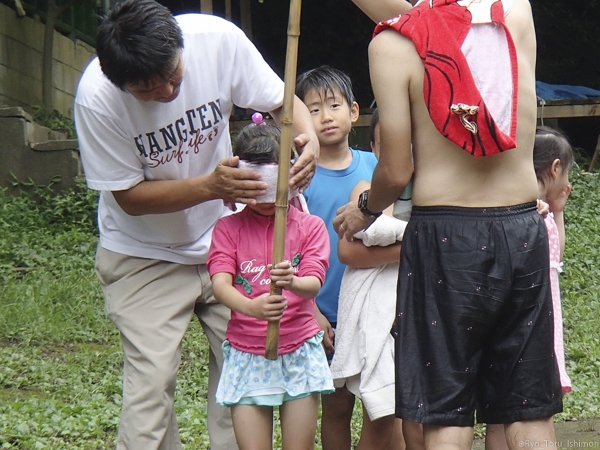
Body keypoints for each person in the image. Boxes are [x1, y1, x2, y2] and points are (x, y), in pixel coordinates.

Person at [73, 1, 319, 449]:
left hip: (228, 243)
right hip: (142, 254)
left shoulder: (216, 41)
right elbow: (128, 198)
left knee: (243, 378)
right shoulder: (96, 100)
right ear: (117, 81)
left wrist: (310, 142)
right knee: (151, 387)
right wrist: (210, 185)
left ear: (181, 45)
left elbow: (284, 102)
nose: (168, 92)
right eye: (148, 90)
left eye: (174, 76)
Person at [334, 0, 563, 449]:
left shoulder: (393, 43)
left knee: (447, 411)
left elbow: (396, 171)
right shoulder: (515, 11)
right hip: (520, 224)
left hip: (446, 235)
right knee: (527, 409)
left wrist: (365, 206)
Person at [207, 122, 333, 450]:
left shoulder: (311, 227)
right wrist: (251, 307)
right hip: (246, 353)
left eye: (272, 186)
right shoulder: (227, 228)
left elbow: (314, 282)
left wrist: (292, 281)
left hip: (299, 350)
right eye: (255, 187)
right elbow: (220, 284)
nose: (265, 199)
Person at [295, 66, 378, 450]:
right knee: (337, 405)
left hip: (373, 306)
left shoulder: (377, 167)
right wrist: (309, 311)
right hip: (323, 310)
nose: (325, 116)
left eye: (333, 105)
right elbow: (289, 248)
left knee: (380, 402)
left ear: (354, 111)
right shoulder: (300, 177)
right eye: (312, 109)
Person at [331, 109, 423, 450]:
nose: (405, 150)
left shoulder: (437, 194)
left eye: (412, 141)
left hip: (424, 314)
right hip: (382, 319)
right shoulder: (367, 190)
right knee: (384, 420)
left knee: (417, 423)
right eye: (391, 143)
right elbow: (349, 251)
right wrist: (422, 245)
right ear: (374, 148)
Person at [485, 126, 574, 450]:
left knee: (499, 409)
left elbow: (555, 258)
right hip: (535, 322)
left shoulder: (521, 205)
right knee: (534, 408)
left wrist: (558, 211)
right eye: (566, 174)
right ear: (554, 168)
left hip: (505, 323)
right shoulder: (533, 211)